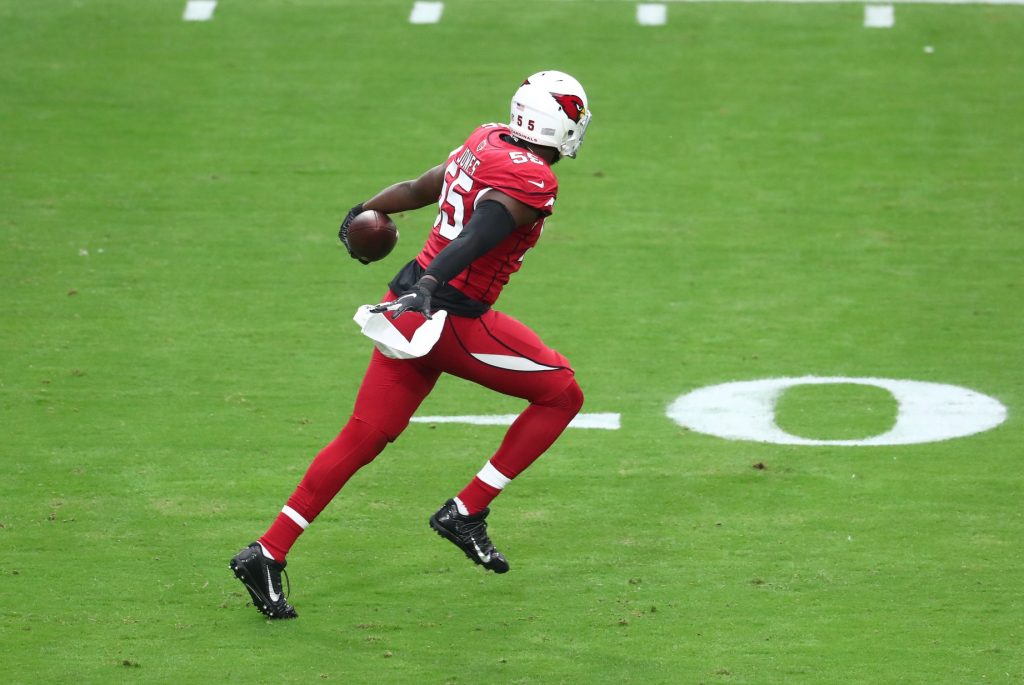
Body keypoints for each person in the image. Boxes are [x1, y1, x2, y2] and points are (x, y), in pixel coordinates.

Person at [229, 71, 593, 619]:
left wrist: (363, 209)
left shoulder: (485, 138)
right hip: (447, 318)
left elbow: (424, 185)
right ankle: (466, 510)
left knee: (365, 435)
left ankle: (267, 551)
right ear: (556, 122)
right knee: (562, 394)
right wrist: (430, 288)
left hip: (404, 302)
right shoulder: (534, 179)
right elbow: (479, 234)